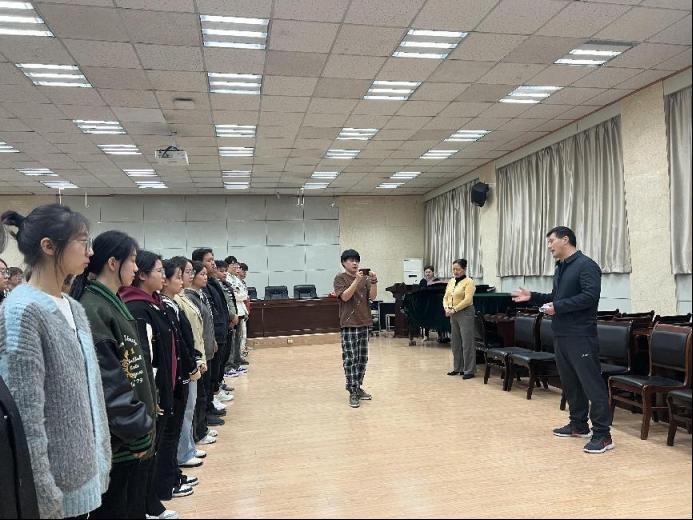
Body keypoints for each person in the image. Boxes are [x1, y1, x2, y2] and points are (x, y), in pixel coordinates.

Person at [0, 204, 110, 519]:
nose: (90, 252)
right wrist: (44, 493)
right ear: (49, 246)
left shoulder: (73, 307)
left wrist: (101, 459)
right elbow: (25, 415)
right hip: (53, 493)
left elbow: (90, 394)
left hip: (85, 477)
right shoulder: (22, 311)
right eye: (83, 242)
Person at [70, 230, 156, 519]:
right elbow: (109, 384)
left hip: (129, 434)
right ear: (112, 263)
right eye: (132, 260)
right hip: (121, 440)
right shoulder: (94, 308)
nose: (136, 267)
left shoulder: (109, 302)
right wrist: (136, 432)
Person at [511, 226, 612, 454]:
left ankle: (603, 435)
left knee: (592, 385)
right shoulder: (561, 267)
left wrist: (558, 306)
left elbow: (590, 297)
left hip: (581, 335)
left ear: (565, 240)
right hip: (561, 334)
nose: (549, 246)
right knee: (571, 383)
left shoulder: (586, 265)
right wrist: (532, 296)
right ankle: (578, 425)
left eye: (551, 241)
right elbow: (555, 297)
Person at [119, 251, 188, 518]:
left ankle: (150, 503)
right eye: (158, 271)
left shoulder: (155, 303)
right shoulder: (136, 308)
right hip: (152, 393)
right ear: (142, 275)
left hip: (165, 387)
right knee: (145, 455)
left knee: (155, 451)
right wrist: (154, 394)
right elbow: (144, 359)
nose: (163, 276)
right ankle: (143, 507)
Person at [333, 249, 378, 408]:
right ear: (344, 263)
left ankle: (358, 387)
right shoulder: (340, 278)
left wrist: (373, 281)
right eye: (351, 260)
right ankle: (352, 391)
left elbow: (372, 297)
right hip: (349, 323)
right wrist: (356, 281)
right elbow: (345, 296)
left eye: (356, 260)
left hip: (364, 322)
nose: (355, 263)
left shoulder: (364, 278)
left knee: (362, 358)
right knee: (350, 359)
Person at [191, 248, 230, 428]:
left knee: (214, 374)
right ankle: (204, 415)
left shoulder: (211, 284)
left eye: (213, 260)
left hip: (214, 336)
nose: (213, 263)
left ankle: (209, 405)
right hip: (203, 346)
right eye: (209, 260)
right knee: (206, 382)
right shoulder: (194, 294)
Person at [184, 261, 219, 445]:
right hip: (199, 353)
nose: (204, 277)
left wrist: (212, 341)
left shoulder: (199, 295)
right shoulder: (188, 297)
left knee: (203, 392)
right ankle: (199, 431)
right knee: (199, 395)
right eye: (201, 274)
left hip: (206, 348)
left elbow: (207, 322)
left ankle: (202, 427)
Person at [443, 259, 477, 378]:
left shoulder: (469, 282)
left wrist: (455, 309)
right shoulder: (451, 281)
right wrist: (446, 307)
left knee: (467, 342)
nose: (455, 271)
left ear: (464, 269)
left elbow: (468, 300)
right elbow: (446, 297)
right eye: (454, 269)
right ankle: (458, 368)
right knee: (455, 342)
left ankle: (469, 370)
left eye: (458, 269)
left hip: (465, 313)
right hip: (453, 313)